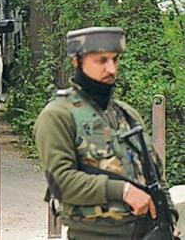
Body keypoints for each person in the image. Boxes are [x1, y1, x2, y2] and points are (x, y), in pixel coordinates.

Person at [34, 27, 181, 239]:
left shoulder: (127, 115)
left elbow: (158, 176)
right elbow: (62, 183)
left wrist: (169, 221)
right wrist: (123, 191)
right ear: (77, 62)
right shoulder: (58, 115)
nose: (111, 69)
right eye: (101, 60)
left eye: (115, 60)